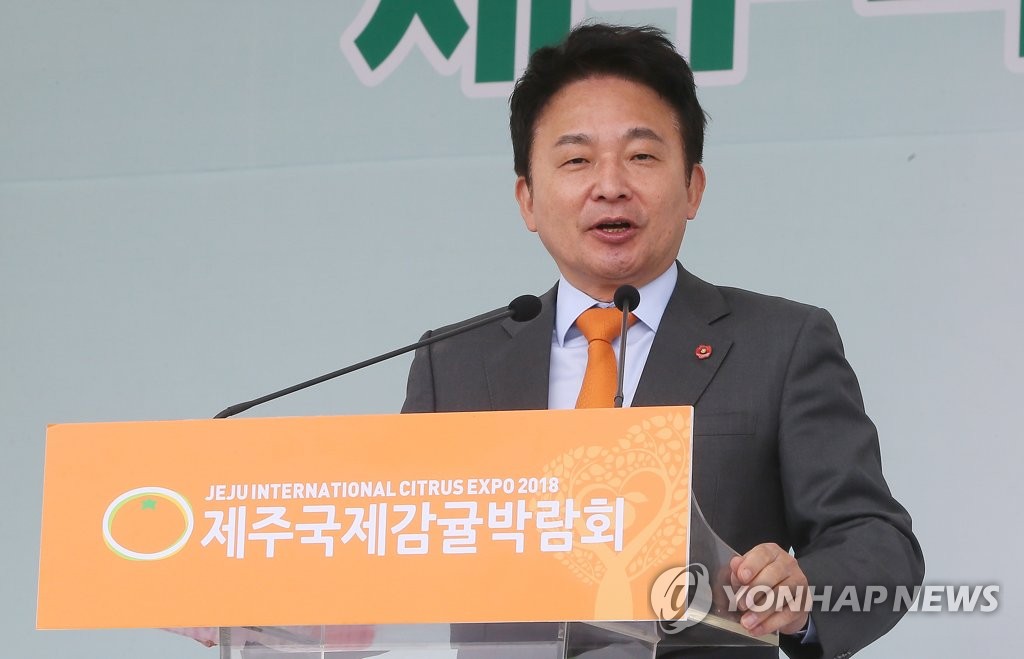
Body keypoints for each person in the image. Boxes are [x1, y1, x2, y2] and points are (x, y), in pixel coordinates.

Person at [403, 23, 923, 658]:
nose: (610, 185)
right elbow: (398, 546)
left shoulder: (781, 345)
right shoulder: (453, 364)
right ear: (528, 200)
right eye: (576, 160)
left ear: (693, 187)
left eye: (642, 156)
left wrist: (805, 590)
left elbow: (876, 543)